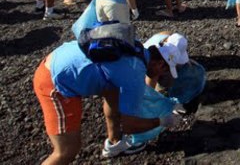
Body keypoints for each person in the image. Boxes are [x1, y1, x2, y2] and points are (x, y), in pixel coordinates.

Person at [33, 37, 183, 163]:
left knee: (113, 89)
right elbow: (129, 125)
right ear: (160, 63)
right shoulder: (134, 74)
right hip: (54, 82)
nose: (162, 76)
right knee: (67, 151)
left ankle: (114, 142)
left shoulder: (135, 47)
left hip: (63, 58)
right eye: (165, 70)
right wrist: (162, 121)